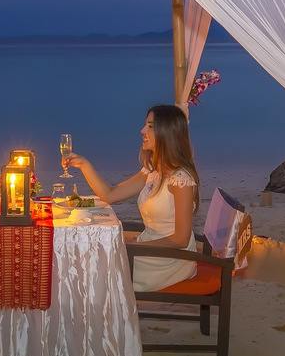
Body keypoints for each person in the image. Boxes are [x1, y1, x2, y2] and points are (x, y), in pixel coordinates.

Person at [65, 104, 200, 292]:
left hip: (171, 259)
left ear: (167, 132)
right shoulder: (152, 171)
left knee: (96, 269)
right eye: (145, 125)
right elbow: (110, 195)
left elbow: (181, 240)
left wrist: (134, 246)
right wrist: (84, 165)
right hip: (148, 248)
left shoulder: (180, 179)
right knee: (91, 261)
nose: (142, 130)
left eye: (150, 126)